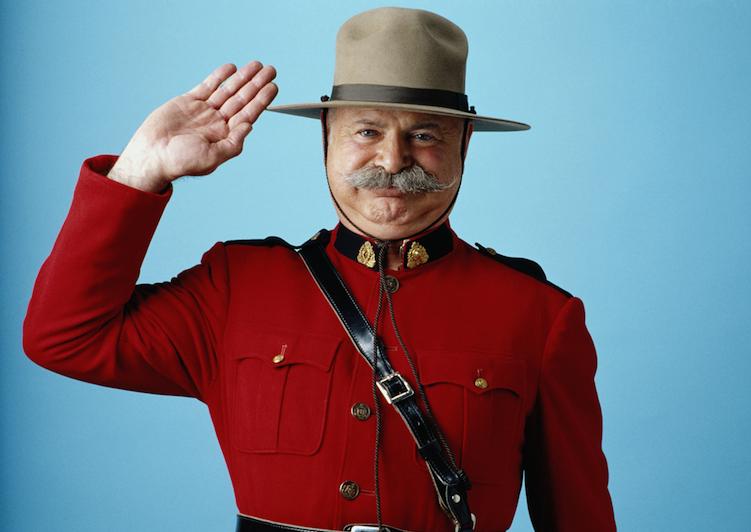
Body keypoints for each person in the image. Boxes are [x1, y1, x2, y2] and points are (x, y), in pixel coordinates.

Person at [23, 7, 615, 532]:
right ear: (326, 140)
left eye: (425, 134)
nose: (392, 159)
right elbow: (64, 338)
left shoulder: (539, 315)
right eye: (366, 130)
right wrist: (140, 171)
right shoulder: (237, 286)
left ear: (464, 147)